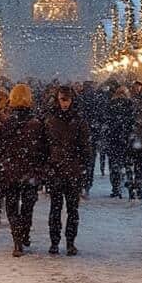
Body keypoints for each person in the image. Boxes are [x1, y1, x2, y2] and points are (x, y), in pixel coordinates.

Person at [0, 83, 46, 257]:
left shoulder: (3, 121)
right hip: (29, 170)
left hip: (9, 169)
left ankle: (17, 240)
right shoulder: (36, 123)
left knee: (12, 205)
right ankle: (25, 231)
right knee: (28, 205)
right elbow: (42, 148)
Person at [43, 85, 92, 255]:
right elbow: (45, 145)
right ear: (57, 100)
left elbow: (85, 146)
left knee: (72, 209)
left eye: (67, 100)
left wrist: (83, 165)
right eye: (62, 99)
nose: (65, 103)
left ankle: (70, 242)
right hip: (56, 168)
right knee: (55, 208)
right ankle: (54, 241)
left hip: (72, 169)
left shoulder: (78, 119)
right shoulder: (50, 118)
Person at [104, 86, 136, 198]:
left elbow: (106, 121)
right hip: (126, 139)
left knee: (114, 165)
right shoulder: (130, 104)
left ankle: (116, 188)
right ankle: (131, 189)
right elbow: (133, 121)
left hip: (113, 139)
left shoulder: (111, 105)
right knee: (128, 165)